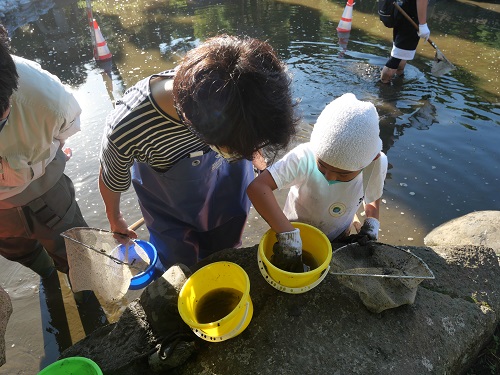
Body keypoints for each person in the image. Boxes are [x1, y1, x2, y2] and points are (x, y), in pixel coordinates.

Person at [99, 34, 298, 269]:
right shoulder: (127, 128)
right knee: (179, 267)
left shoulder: (237, 84)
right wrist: (115, 218)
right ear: (196, 127)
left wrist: (257, 159)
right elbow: (111, 178)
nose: (248, 151)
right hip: (170, 210)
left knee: (226, 251)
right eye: (238, 148)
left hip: (228, 193)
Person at [247, 93, 388, 272]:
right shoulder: (304, 157)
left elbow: (373, 196)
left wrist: (372, 223)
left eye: (343, 174)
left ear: (370, 160)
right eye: (321, 165)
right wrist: (288, 235)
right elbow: (257, 188)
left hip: (338, 234)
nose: (329, 177)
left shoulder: (376, 163)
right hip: (293, 228)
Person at [0, 23, 88, 279]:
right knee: (19, 253)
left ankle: (84, 290)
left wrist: (51, 151)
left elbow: (67, 129)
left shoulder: (48, 97)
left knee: (76, 253)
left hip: (47, 190)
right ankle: (48, 277)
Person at [380, 0, 430, 83]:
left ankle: (399, 82)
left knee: (401, 55)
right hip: (411, 18)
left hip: (401, 10)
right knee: (395, 60)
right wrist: (423, 24)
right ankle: (384, 89)